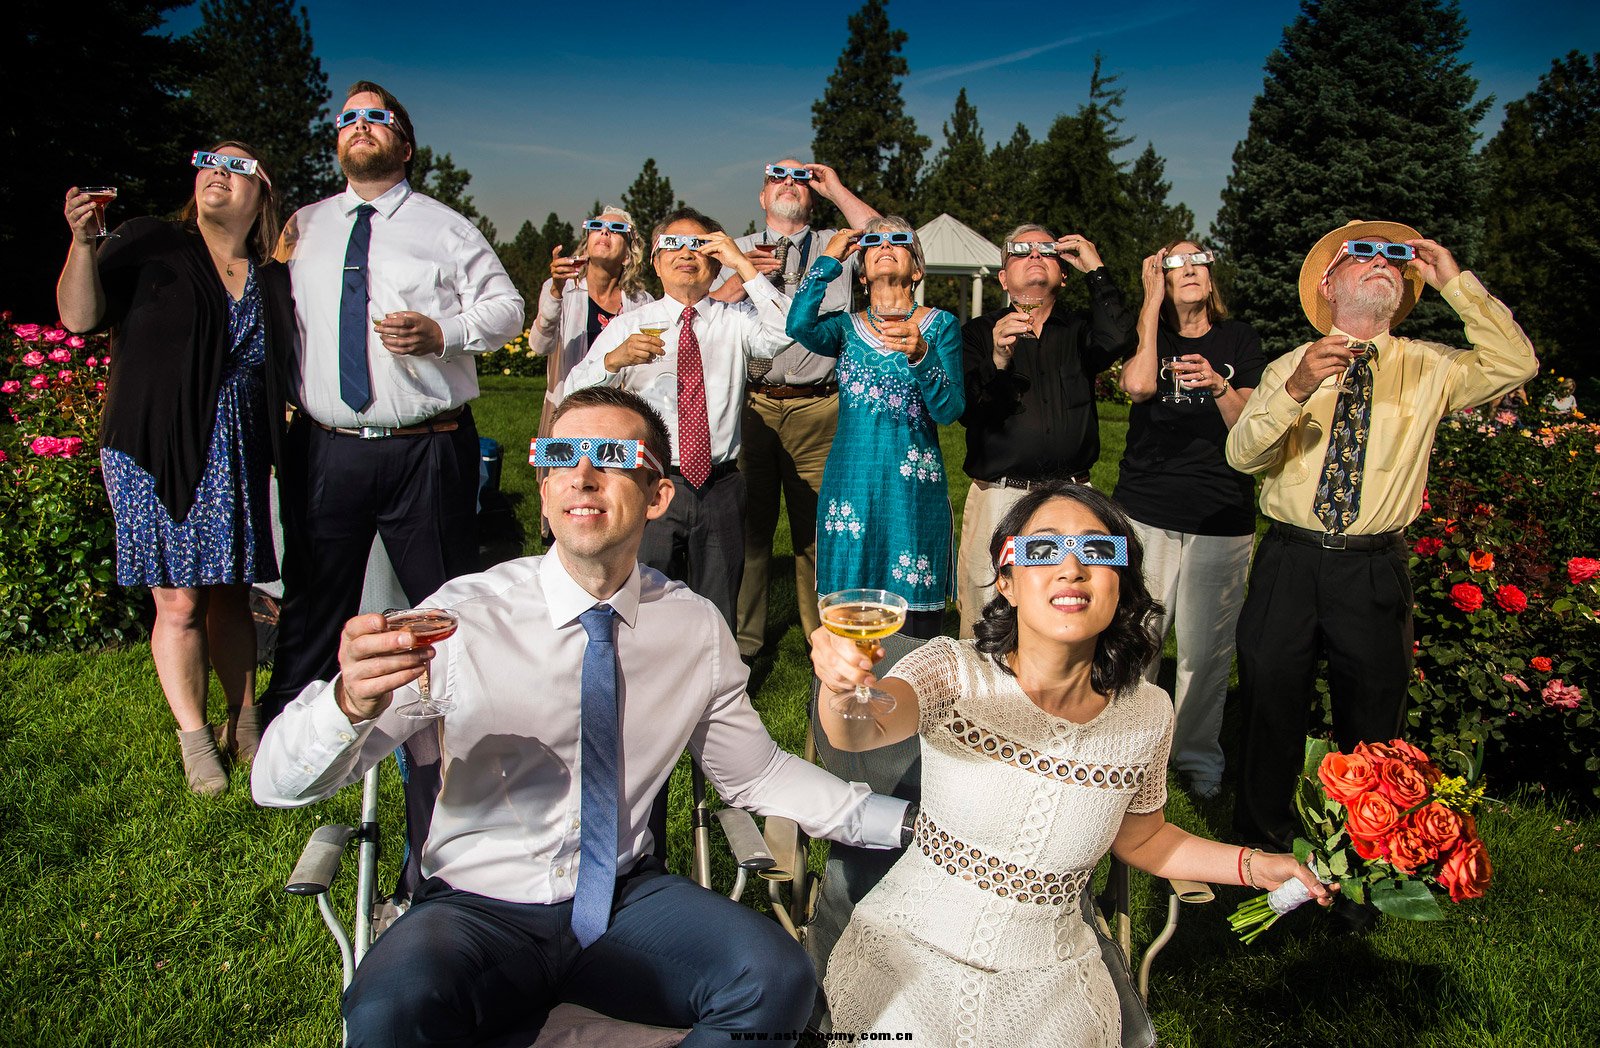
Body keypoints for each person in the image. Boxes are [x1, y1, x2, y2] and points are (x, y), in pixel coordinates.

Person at [253, 385, 911, 1046]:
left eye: (613, 455)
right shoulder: (462, 621)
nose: (583, 474)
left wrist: (909, 825)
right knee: (387, 1009)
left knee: (778, 976)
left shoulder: (691, 628)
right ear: (544, 491)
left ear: (659, 496)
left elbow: (758, 775)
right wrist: (346, 705)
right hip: (477, 912)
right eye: (562, 454)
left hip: (627, 903)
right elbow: (275, 786)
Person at [809, 484, 1332, 1047]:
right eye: (1042, 551)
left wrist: (1257, 865)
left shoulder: (1150, 714)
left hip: (1050, 980)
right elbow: (858, 729)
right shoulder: (953, 671)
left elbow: (1144, 838)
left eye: (1097, 551)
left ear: (1121, 582)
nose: (1071, 568)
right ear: (1006, 582)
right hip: (912, 951)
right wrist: (842, 685)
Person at [1227, 220, 1538, 854]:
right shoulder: (1292, 363)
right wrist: (1295, 389)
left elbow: (1517, 362)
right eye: (1362, 254)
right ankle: (1261, 852)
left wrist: (1454, 281)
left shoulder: (1433, 367)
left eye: (1394, 259)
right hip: (1290, 559)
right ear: (1329, 283)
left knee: (1373, 724)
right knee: (1268, 706)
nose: (1382, 263)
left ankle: (1366, 867)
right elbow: (1241, 455)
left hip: (1372, 568)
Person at [260, 80, 524, 721]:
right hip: (327, 448)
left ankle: (465, 724)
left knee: (445, 598)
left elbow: (508, 309)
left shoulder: (446, 228)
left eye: (376, 118)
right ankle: (295, 728)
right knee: (313, 595)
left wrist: (445, 334)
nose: (360, 124)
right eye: (349, 117)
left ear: (404, 146)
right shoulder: (302, 228)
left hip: (427, 447)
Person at [56, 143, 292, 794]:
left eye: (238, 165)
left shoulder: (273, 276)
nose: (217, 169)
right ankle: (195, 740)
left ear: (263, 193)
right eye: (208, 160)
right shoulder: (150, 242)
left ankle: (242, 721)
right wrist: (81, 244)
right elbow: (79, 317)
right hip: (152, 445)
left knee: (230, 593)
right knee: (179, 598)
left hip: (238, 446)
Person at [564, 206, 791, 628]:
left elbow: (786, 328)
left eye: (699, 244)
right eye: (673, 244)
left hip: (720, 483)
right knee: (644, 598)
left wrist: (742, 264)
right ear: (654, 260)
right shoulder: (630, 326)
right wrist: (613, 361)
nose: (686, 252)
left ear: (714, 259)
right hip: (647, 482)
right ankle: (649, 683)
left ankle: (713, 687)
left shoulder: (736, 321)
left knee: (718, 603)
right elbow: (570, 395)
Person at [711, 159, 880, 661]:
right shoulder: (735, 249)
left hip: (819, 407)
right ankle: (744, 646)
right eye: (776, 177)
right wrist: (744, 277)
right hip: (752, 407)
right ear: (762, 198)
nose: (789, 183)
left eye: (800, 178)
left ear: (813, 195)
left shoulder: (839, 243)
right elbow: (701, 316)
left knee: (817, 531)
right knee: (750, 531)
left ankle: (822, 641)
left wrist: (838, 189)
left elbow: (893, 237)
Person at [1115, 240, 1266, 800]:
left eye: (1198, 259)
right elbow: (1137, 386)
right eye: (1174, 264)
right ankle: (1130, 748)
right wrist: (1150, 306)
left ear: (1211, 275)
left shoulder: (1239, 339)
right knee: (1139, 634)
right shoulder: (1154, 335)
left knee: (1205, 650)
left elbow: (1252, 428)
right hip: (1147, 508)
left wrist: (1221, 385)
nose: (1189, 269)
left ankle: (1197, 753)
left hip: (1220, 512)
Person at [787, 217, 964, 639]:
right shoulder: (846, 328)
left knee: (914, 614)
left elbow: (949, 409)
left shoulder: (941, 326)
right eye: (875, 241)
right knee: (849, 602)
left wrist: (922, 354)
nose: (886, 245)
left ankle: (915, 698)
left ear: (917, 269)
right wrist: (828, 260)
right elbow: (798, 325)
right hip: (853, 484)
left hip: (913, 489)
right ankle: (843, 699)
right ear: (862, 271)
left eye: (899, 240)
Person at [956, 225, 1136, 638]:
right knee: (984, 613)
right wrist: (999, 358)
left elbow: (1120, 337)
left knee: (1064, 615)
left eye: (1046, 250)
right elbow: (968, 410)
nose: (1035, 255)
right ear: (1003, 278)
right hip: (1001, 494)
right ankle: (981, 702)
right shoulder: (978, 334)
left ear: (1064, 273)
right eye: (1021, 251)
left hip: (1070, 497)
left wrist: (1096, 266)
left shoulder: (1079, 332)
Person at [528, 205, 652, 534]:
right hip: (566, 410)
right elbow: (539, 345)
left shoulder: (641, 301)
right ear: (587, 242)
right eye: (597, 226)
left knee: (612, 503)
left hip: (618, 417)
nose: (604, 232)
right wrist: (554, 291)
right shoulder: (564, 291)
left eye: (615, 229)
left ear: (628, 253)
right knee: (565, 502)